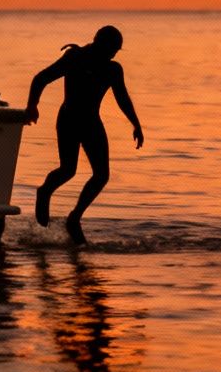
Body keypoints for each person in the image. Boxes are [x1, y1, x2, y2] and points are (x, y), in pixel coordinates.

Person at [24, 25, 142, 244]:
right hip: (69, 119)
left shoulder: (113, 69)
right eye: (110, 49)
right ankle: (44, 192)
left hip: (91, 122)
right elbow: (41, 78)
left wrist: (136, 124)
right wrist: (32, 106)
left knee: (102, 175)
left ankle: (74, 218)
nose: (113, 54)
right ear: (97, 43)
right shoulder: (75, 58)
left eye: (116, 51)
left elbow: (122, 98)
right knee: (68, 170)